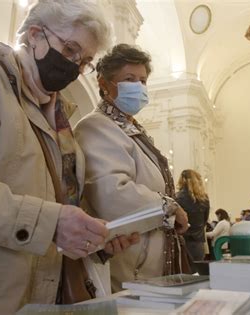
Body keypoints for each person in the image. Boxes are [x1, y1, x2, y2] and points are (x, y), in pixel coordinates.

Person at [0, 1, 138, 313]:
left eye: (84, 60)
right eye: (71, 49)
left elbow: (52, 212)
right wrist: (48, 222)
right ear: (34, 35)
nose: (75, 66)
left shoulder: (61, 122)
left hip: (35, 298)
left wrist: (92, 241)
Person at [74, 43, 189, 291]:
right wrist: (169, 208)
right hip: (127, 257)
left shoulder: (131, 129)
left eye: (143, 80)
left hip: (149, 258)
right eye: (129, 79)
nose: (138, 87)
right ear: (104, 83)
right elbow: (112, 193)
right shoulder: (96, 126)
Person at [175, 169, 210, 264]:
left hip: (182, 240)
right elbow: (205, 220)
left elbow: (174, 221)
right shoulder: (204, 199)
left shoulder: (177, 198)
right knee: (197, 272)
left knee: (184, 272)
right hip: (198, 241)